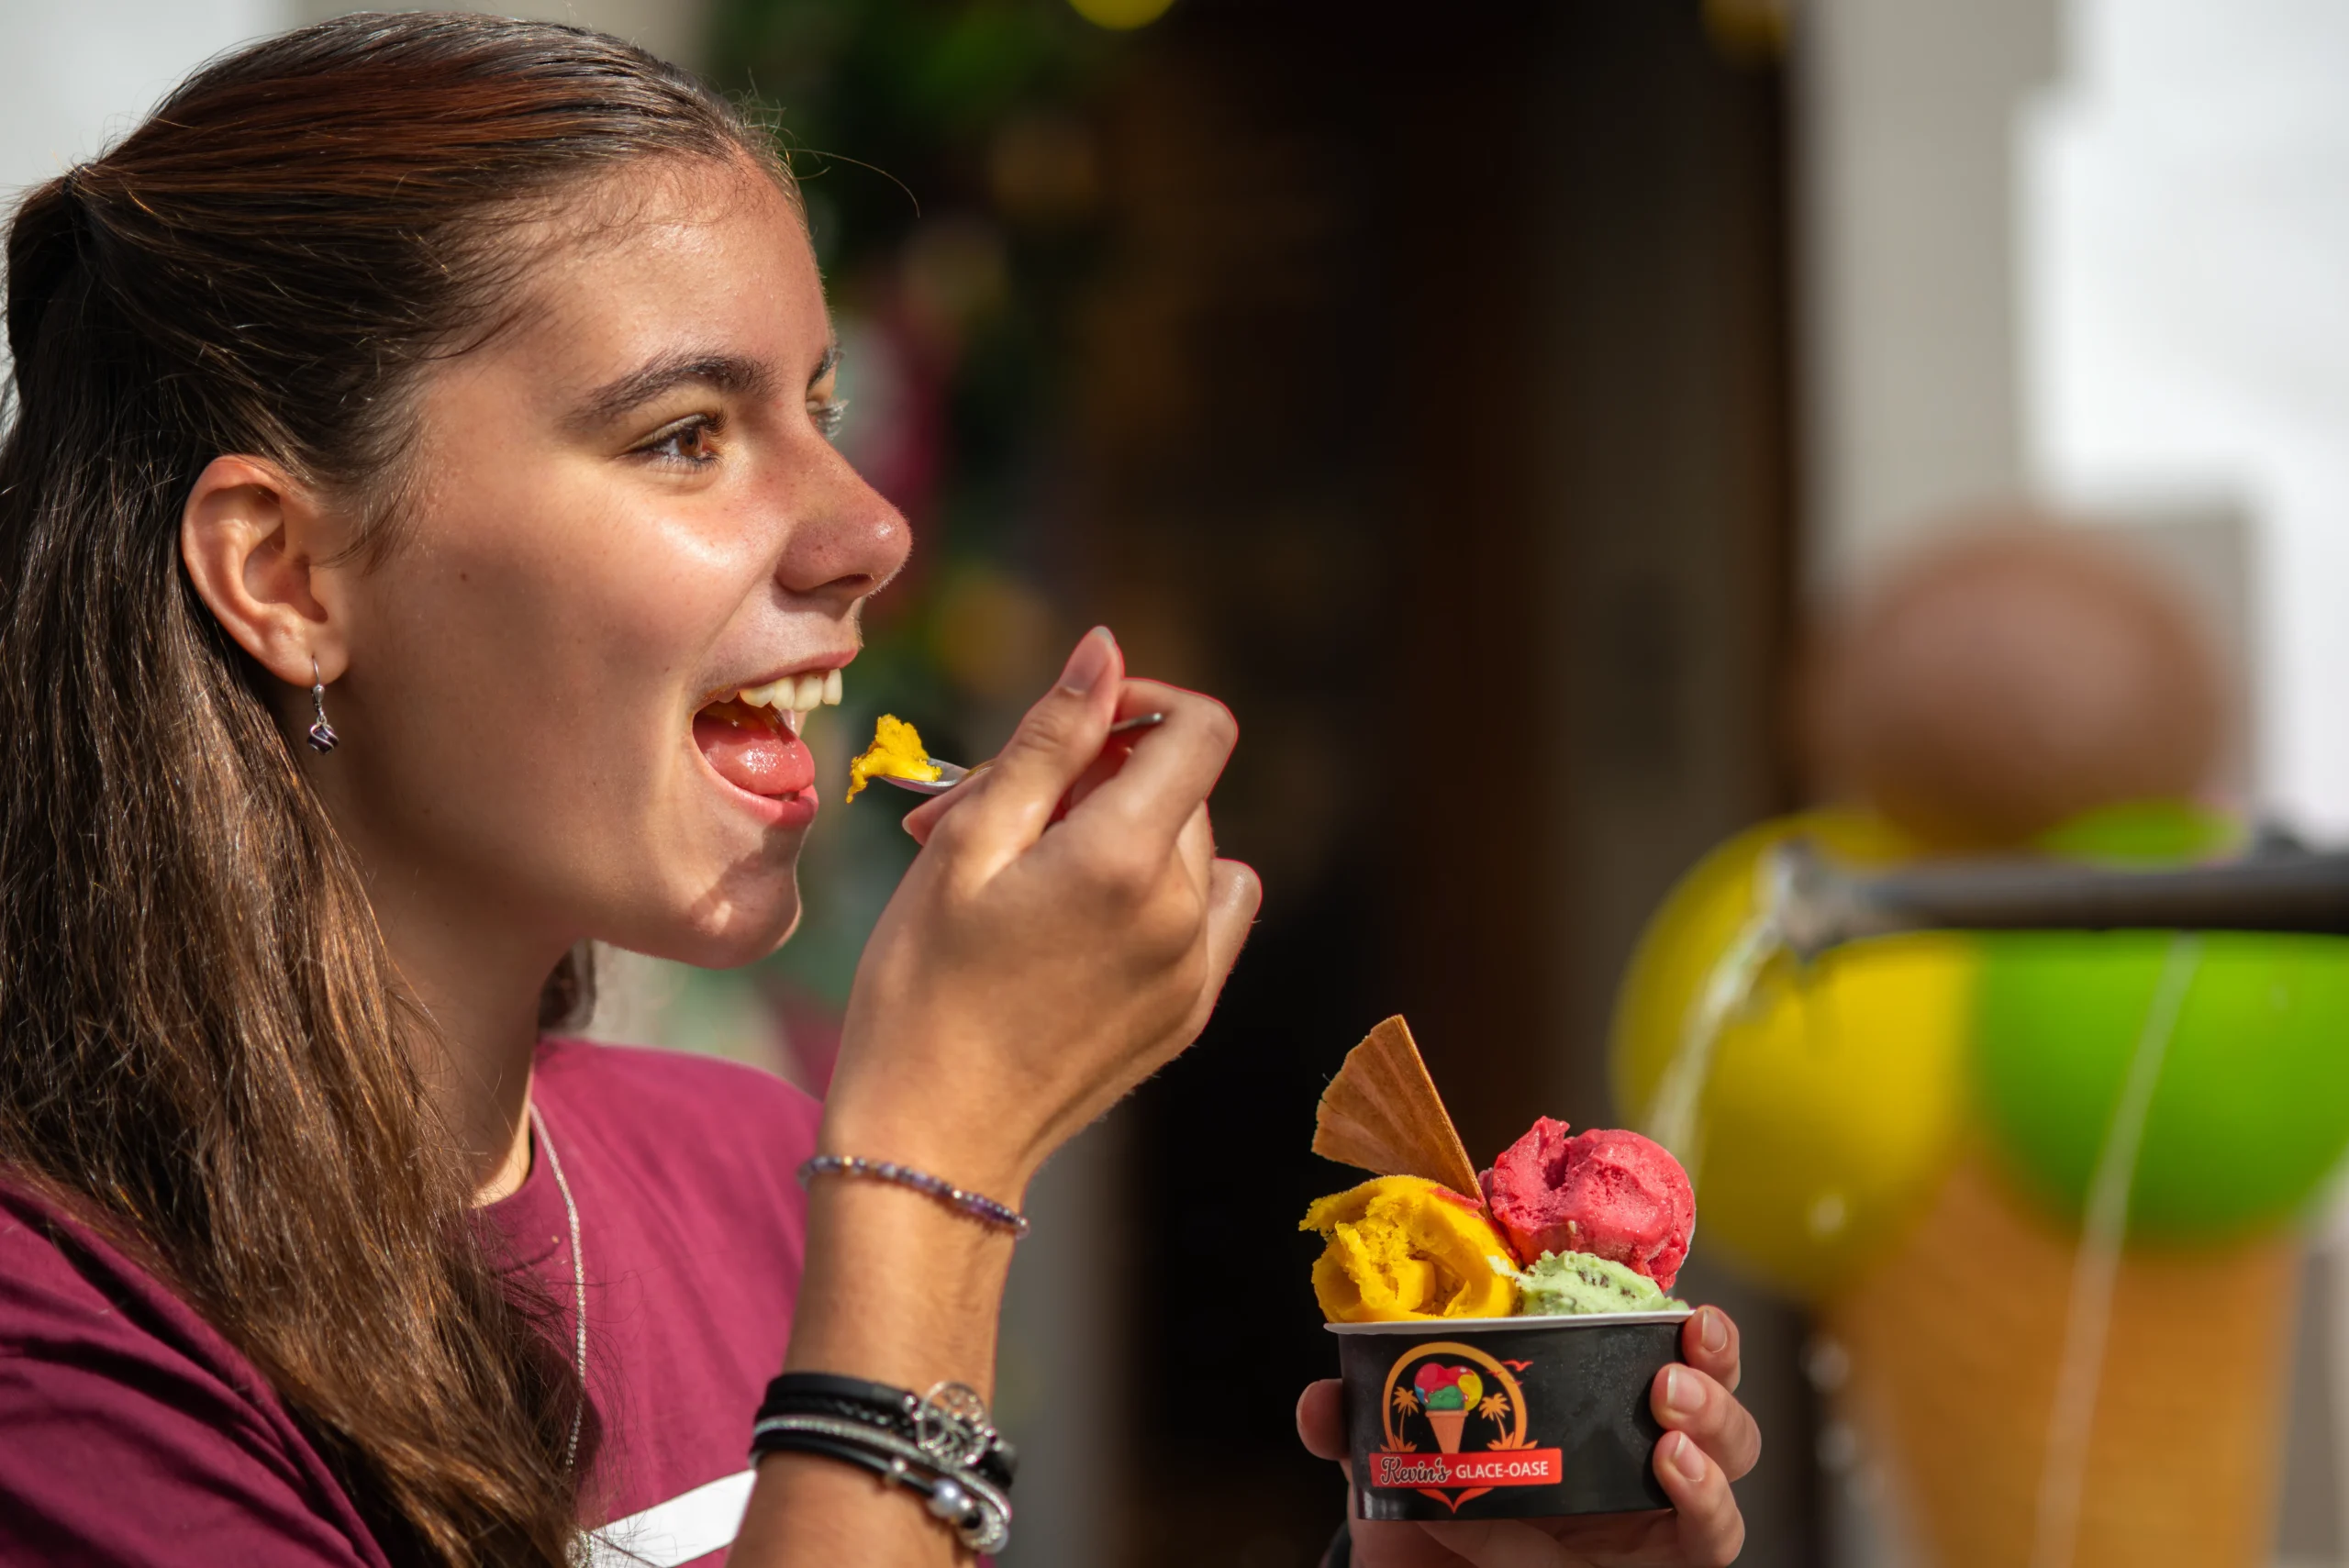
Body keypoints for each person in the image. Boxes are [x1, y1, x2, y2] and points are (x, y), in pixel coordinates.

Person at [0, 15, 1754, 1566]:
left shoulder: (745, 1169)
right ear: (287, 574)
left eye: (825, 412)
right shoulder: (56, 1334)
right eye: (687, 434)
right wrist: (935, 1160)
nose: (871, 532)